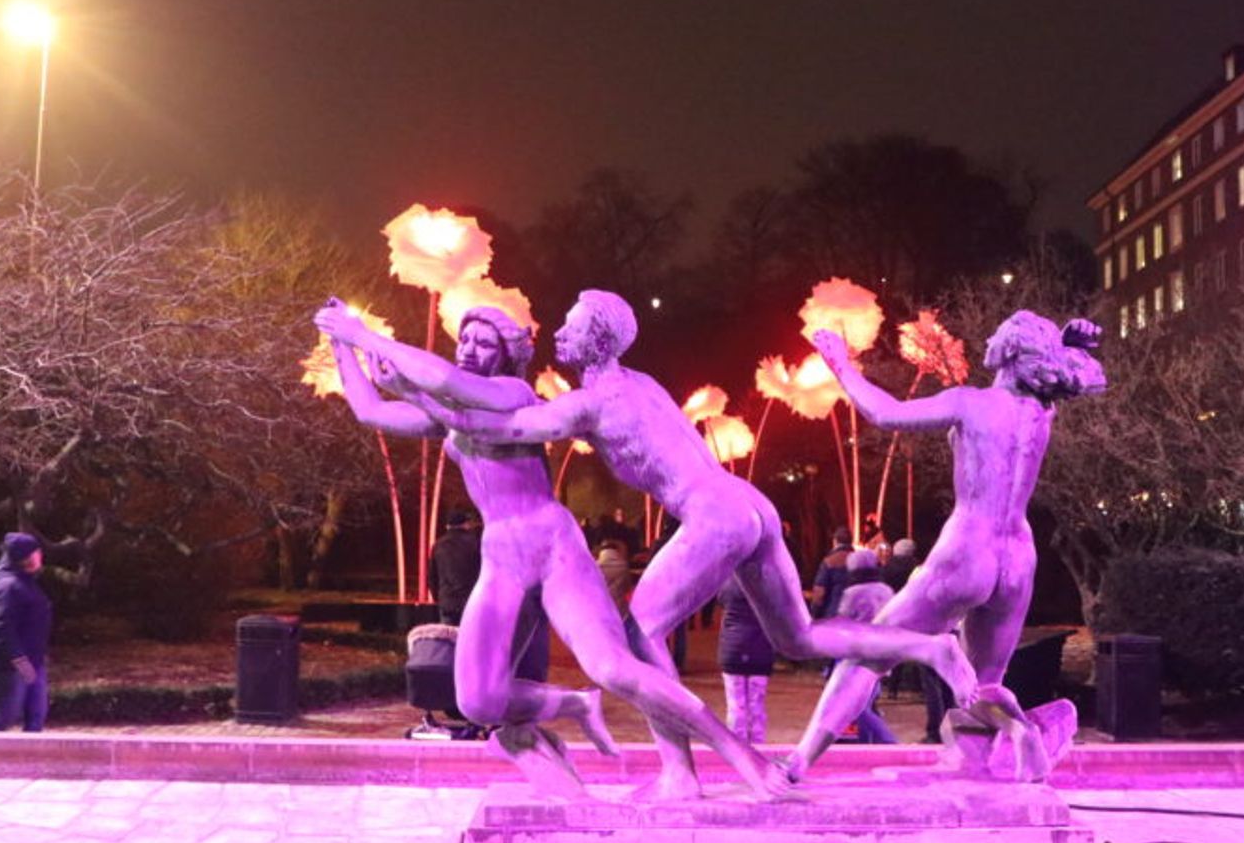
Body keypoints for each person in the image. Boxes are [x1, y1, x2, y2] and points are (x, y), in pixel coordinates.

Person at [345, 288, 976, 796]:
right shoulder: (637, 381)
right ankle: (929, 649)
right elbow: (416, 415)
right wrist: (356, 355)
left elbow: (493, 417)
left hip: (710, 515)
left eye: (569, 327)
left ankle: (681, 771)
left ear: (592, 338)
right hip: (742, 502)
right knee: (800, 636)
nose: (558, 337)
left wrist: (381, 354)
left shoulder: (586, 405)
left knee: (640, 633)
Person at [315, 299, 788, 799]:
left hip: (551, 543)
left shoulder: (510, 391)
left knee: (614, 667)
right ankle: (576, 705)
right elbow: (371, 409)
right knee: (477, 699)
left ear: (506, 353)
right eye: (466, 339)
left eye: (485, 342)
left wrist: (366, 336)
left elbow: (449, 385)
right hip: (501, 554)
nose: (471, 349)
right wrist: (340, 341)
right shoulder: (448, 416)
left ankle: (742, 757)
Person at [801, 312, 1103, 780]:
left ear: (1004, 349)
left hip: (969, 548)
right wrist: (1068, 345)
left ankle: (798, 762)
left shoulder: (971, 403)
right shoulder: (1041, 412)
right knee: (983, 685)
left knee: (869, 654)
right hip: (1018, 559)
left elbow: (885, 414)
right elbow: (1058, 376)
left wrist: (841, 364)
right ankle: (1019, 733)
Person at [0, 532, 54, 733]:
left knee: (36, 713)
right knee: (6, 714)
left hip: (31, 661)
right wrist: (21, 661)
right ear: (25, 557)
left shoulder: (26, 582)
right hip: (10, 663)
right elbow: (4, 627)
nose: (40, 556)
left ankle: (29, 761)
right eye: (36, 552)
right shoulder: (9, 586)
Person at [834, 549, 898, 744]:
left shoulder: (852, 592)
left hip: (860, 654)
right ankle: (867, 741)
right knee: (867, 699)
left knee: (856, 707)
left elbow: (843, 621)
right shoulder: (886, 590)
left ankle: (888, 742)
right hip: (885, 651)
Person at [715, 575, 774, 743]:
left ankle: (738, 753)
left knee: (735, 706)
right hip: (761, 648)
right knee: (757, 706)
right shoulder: (766, 584)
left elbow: (720, 600)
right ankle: (758, 750)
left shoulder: (728, 583)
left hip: (733, 648)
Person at [429, 508, 482, 626]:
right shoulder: (476, 543)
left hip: (447, 602)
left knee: (449, 639)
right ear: (465, 524)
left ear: (448, 526)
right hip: (471, 601)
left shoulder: (438, 545)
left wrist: (439, 599)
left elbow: (432, 577)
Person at [808, 527, 852, 618]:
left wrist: (814, 613)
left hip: (833, 614)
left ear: (835, 541)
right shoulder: (860, 561)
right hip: (855, 615)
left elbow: (820, 591)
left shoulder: (829, 561)